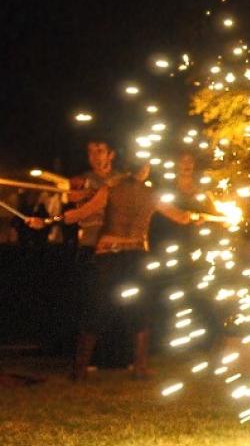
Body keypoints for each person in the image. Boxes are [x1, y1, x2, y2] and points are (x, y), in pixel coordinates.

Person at [31, 163, 200, 380]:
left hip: (108, 255)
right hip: (136, 255)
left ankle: (80, 370)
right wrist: (197, 217)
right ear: (145, 170)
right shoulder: (152, 194)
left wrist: (44, 221)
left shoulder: (109, 189)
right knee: (139, 310)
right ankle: (139, 368)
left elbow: (78, 214)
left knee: (97, 309)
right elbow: (182, 217)